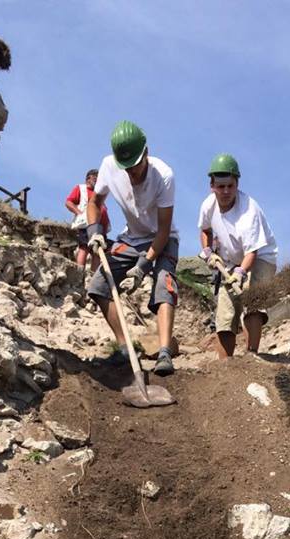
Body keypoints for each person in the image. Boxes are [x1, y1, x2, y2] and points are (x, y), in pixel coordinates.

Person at [85, 121, 179, 376]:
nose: (131, 173)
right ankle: (126, 349)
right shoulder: (109, 166)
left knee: (164, 285)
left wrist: (142, 267)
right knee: (98, 286)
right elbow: (94, 202)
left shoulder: (164, 176)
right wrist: (94, 232)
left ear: (146, 152)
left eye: (135, 166)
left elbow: (163, 231)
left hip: (162, 238)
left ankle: (164, 353)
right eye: (126, 167)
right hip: (131, 238)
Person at [198, 153, 277, 358]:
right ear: (212, 186)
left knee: (252, 301)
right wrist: (208, 252)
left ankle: (252, 356)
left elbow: (252, 252)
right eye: (220, 186)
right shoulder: (208, 205)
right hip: (231, 260)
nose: (225, 191)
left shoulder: (249, 211)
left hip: (261, 258)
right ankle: (226, 365)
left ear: (237, 184)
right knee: (225, 312)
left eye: (230, 186)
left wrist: (241, 272)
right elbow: (205, 230)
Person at [64, 170, 110, 271]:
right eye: (95, 179)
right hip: (87, 224)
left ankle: (92, 275)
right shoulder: (81, 189)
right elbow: (69, 202)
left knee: (97, 251)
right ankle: (79, 271)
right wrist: (80, 213)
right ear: (89, 178)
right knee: (84, 247)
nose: (97, 182)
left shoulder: (97, 194)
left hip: (100, 228)